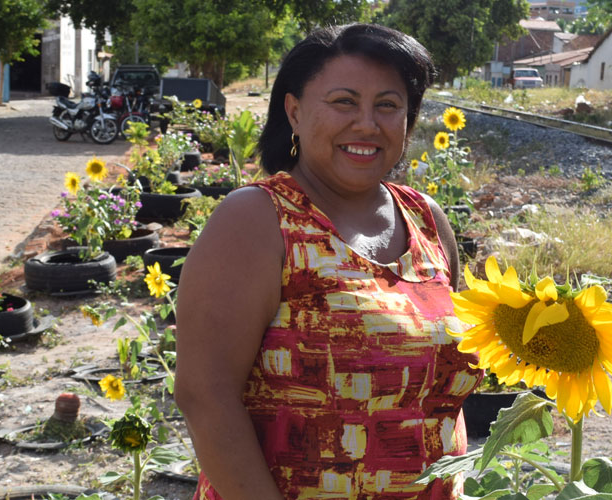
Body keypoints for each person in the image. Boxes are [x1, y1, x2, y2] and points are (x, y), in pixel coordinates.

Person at [175, 23, 483, 500]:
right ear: (294, 112)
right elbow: (205, 395)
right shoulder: (258, 220)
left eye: (388, 105)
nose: (367, 123)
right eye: (344, 101)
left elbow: (440, 386)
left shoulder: (426, 220)